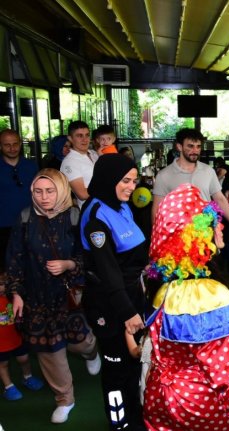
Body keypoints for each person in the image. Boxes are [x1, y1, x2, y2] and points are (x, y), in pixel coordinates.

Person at [144, 183, 229, 431]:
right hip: (197, 403)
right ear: (198, 236)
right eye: (214, 222)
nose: (220, 227)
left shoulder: (164, 288)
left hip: (158, 397)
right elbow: (225, 370)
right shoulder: (207, 297)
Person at [5, 168, 100, 422]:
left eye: (50, 190)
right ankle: (64, 399)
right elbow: (14, 259)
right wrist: (16, 293)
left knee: (81, 341)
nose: (44, 197)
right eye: (38, 191)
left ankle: (91, 353)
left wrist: (69, 265)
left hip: (68, 294)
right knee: (48, 350)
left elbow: (89, 256)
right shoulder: (25, 218)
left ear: (61, 189)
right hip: (36, 296)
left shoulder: (74, 216)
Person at [80, 154, 147, 431]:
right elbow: (108, 273)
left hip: (130, 296)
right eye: (125, 181)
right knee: (117, 368)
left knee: (134, 364)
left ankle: (136, 417)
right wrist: (128, 312)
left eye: (134, 180)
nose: (131, 187)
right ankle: (120, 424)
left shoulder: (121, 206)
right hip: (110, 305)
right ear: (109, 179)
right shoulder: (95, 217)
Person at [152, 128, 229, 240]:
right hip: (177, 239)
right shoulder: (164, 175)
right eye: (190, 146)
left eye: (198, 146)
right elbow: (157, 210)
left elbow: (220, 199)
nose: (195, 150)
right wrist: (158, 238)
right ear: (179, 146)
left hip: (205, 236)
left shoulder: (208, 171)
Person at [0, 273, 44, 402]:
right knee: (3, 364)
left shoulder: (12, 296)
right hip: (1, 343)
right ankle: (9, 386)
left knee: (24, 359)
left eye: (1, 284)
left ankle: (27, 377)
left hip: (16, 337)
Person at [1, 129, 38, 272]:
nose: (12, 148)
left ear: (20, 144)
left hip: (30, 222)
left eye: (15, 144)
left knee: (31, 264)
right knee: (7, 266)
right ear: (1, 146)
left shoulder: (31, 166)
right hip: (4, 226)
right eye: (7, 145)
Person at [60, 120, 99, 209]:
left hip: (107, 207)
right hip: (91, 211)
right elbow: (82, 194)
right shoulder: (69, 162)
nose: (85, 140)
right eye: (79, 136)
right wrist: (108, 185)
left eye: (87, 135)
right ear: (70, 138)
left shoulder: (94, 154)